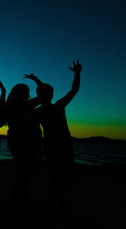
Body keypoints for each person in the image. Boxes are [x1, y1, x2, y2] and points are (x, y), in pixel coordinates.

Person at [32, 60, 82, 213]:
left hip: (53, 146)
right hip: (61, 145)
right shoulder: (57, 106)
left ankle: (54, 201)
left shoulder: (39, 111)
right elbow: (74, 90)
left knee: (60, 177)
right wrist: (78, 74)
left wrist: (36, 81)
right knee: (63, 177)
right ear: (51, 95)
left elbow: (45, 92)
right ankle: (58, 204)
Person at [4, 79, 42, 205]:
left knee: (23, 170)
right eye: (27, 91)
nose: (28, 93)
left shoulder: (10, 106)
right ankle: (16, 194)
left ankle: (20, 195)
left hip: (15, 141)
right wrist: (36, 80)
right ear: (22, 93)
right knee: (27, 169)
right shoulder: (26, 105)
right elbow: (42, 95)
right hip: (24, 141)